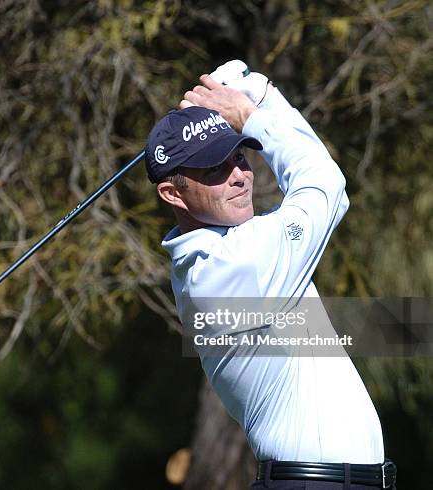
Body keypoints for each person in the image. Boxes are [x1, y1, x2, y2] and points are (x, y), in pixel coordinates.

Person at [145, 61, 397, 489]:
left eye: (239, 156)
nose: (240, 176)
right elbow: (324, 186)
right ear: (173, 193)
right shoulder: (230, 268)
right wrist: (258, 104)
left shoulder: (226, 254)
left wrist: (257, 104)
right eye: (214, 169)